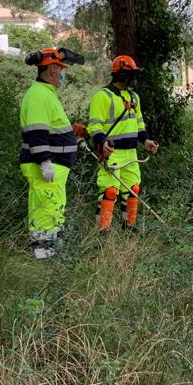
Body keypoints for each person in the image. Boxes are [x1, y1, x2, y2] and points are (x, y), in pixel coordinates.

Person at [19, 48, 83, 258]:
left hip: (54, 164)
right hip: (48, 165)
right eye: (62, 69)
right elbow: (37, 132)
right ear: (53, 70)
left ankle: (51, 249)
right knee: (45, 208)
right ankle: (44, 254)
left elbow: (50, 129)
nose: (63, 74)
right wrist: (44, 161)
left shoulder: (45, 94)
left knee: (51, 207)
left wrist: (73, 138)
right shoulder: (39, 95)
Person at [86, 55, 159, 230]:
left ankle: (130, 228)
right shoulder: (102, 96)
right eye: (129, 73)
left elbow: (139, 124)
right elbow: (94, 126)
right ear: (119, 74)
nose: (132, 77)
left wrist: (146, 141)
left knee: (133, 190)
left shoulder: (134, 97)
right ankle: (103, 232)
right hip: (112, 153)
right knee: (110, 191)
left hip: (131, 153)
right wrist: (102, 142)